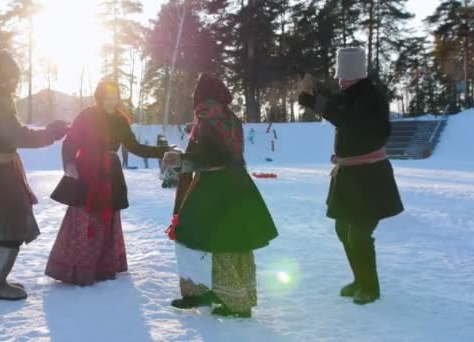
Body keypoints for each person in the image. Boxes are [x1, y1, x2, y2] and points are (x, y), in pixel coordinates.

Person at [163, 73, 278, 318]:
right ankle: (239, 298)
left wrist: (180, 160)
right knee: (237, 243)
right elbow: (226, 154)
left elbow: (209, 158)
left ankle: (214, 295)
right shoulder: (231, 118)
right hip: (238, 185)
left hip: (214, 188)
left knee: (202, 238)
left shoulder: (206, 118)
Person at [298, 47, 404, 305]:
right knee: (342, 229)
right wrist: (316, 90)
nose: (340, 80)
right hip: (349, 175)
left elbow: (350, 121)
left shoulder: (371, 98)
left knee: (358, 233)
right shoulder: (351, 94)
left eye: (344, 76)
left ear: (357, 74)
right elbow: (336, 105)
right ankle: (360, 279)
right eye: (339, 76)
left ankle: (370, 287)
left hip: (370, 177)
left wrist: (315, 102)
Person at [0, 51, 68, 301]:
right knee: (11, 226)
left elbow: (14, 134)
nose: (16, 81)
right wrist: (50, 133)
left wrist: (50, 132)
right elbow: (17, 136)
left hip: (0, 172)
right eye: (13, 76)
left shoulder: (0, 99)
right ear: (3, 77)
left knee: (5, 227)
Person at [46, 80, 172, 286]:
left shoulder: (121, 120)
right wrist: (68, 163)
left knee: (106, 219)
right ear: (100, 97)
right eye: (108, 98)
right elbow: (70, 141)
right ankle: (78, 269)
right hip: (86, 170)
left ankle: (103, 268)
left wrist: (162, 151)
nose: (112, 102)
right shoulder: (86, 115)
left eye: (115, 98)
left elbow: (135, 147)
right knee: (84, 218)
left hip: (110, 173)